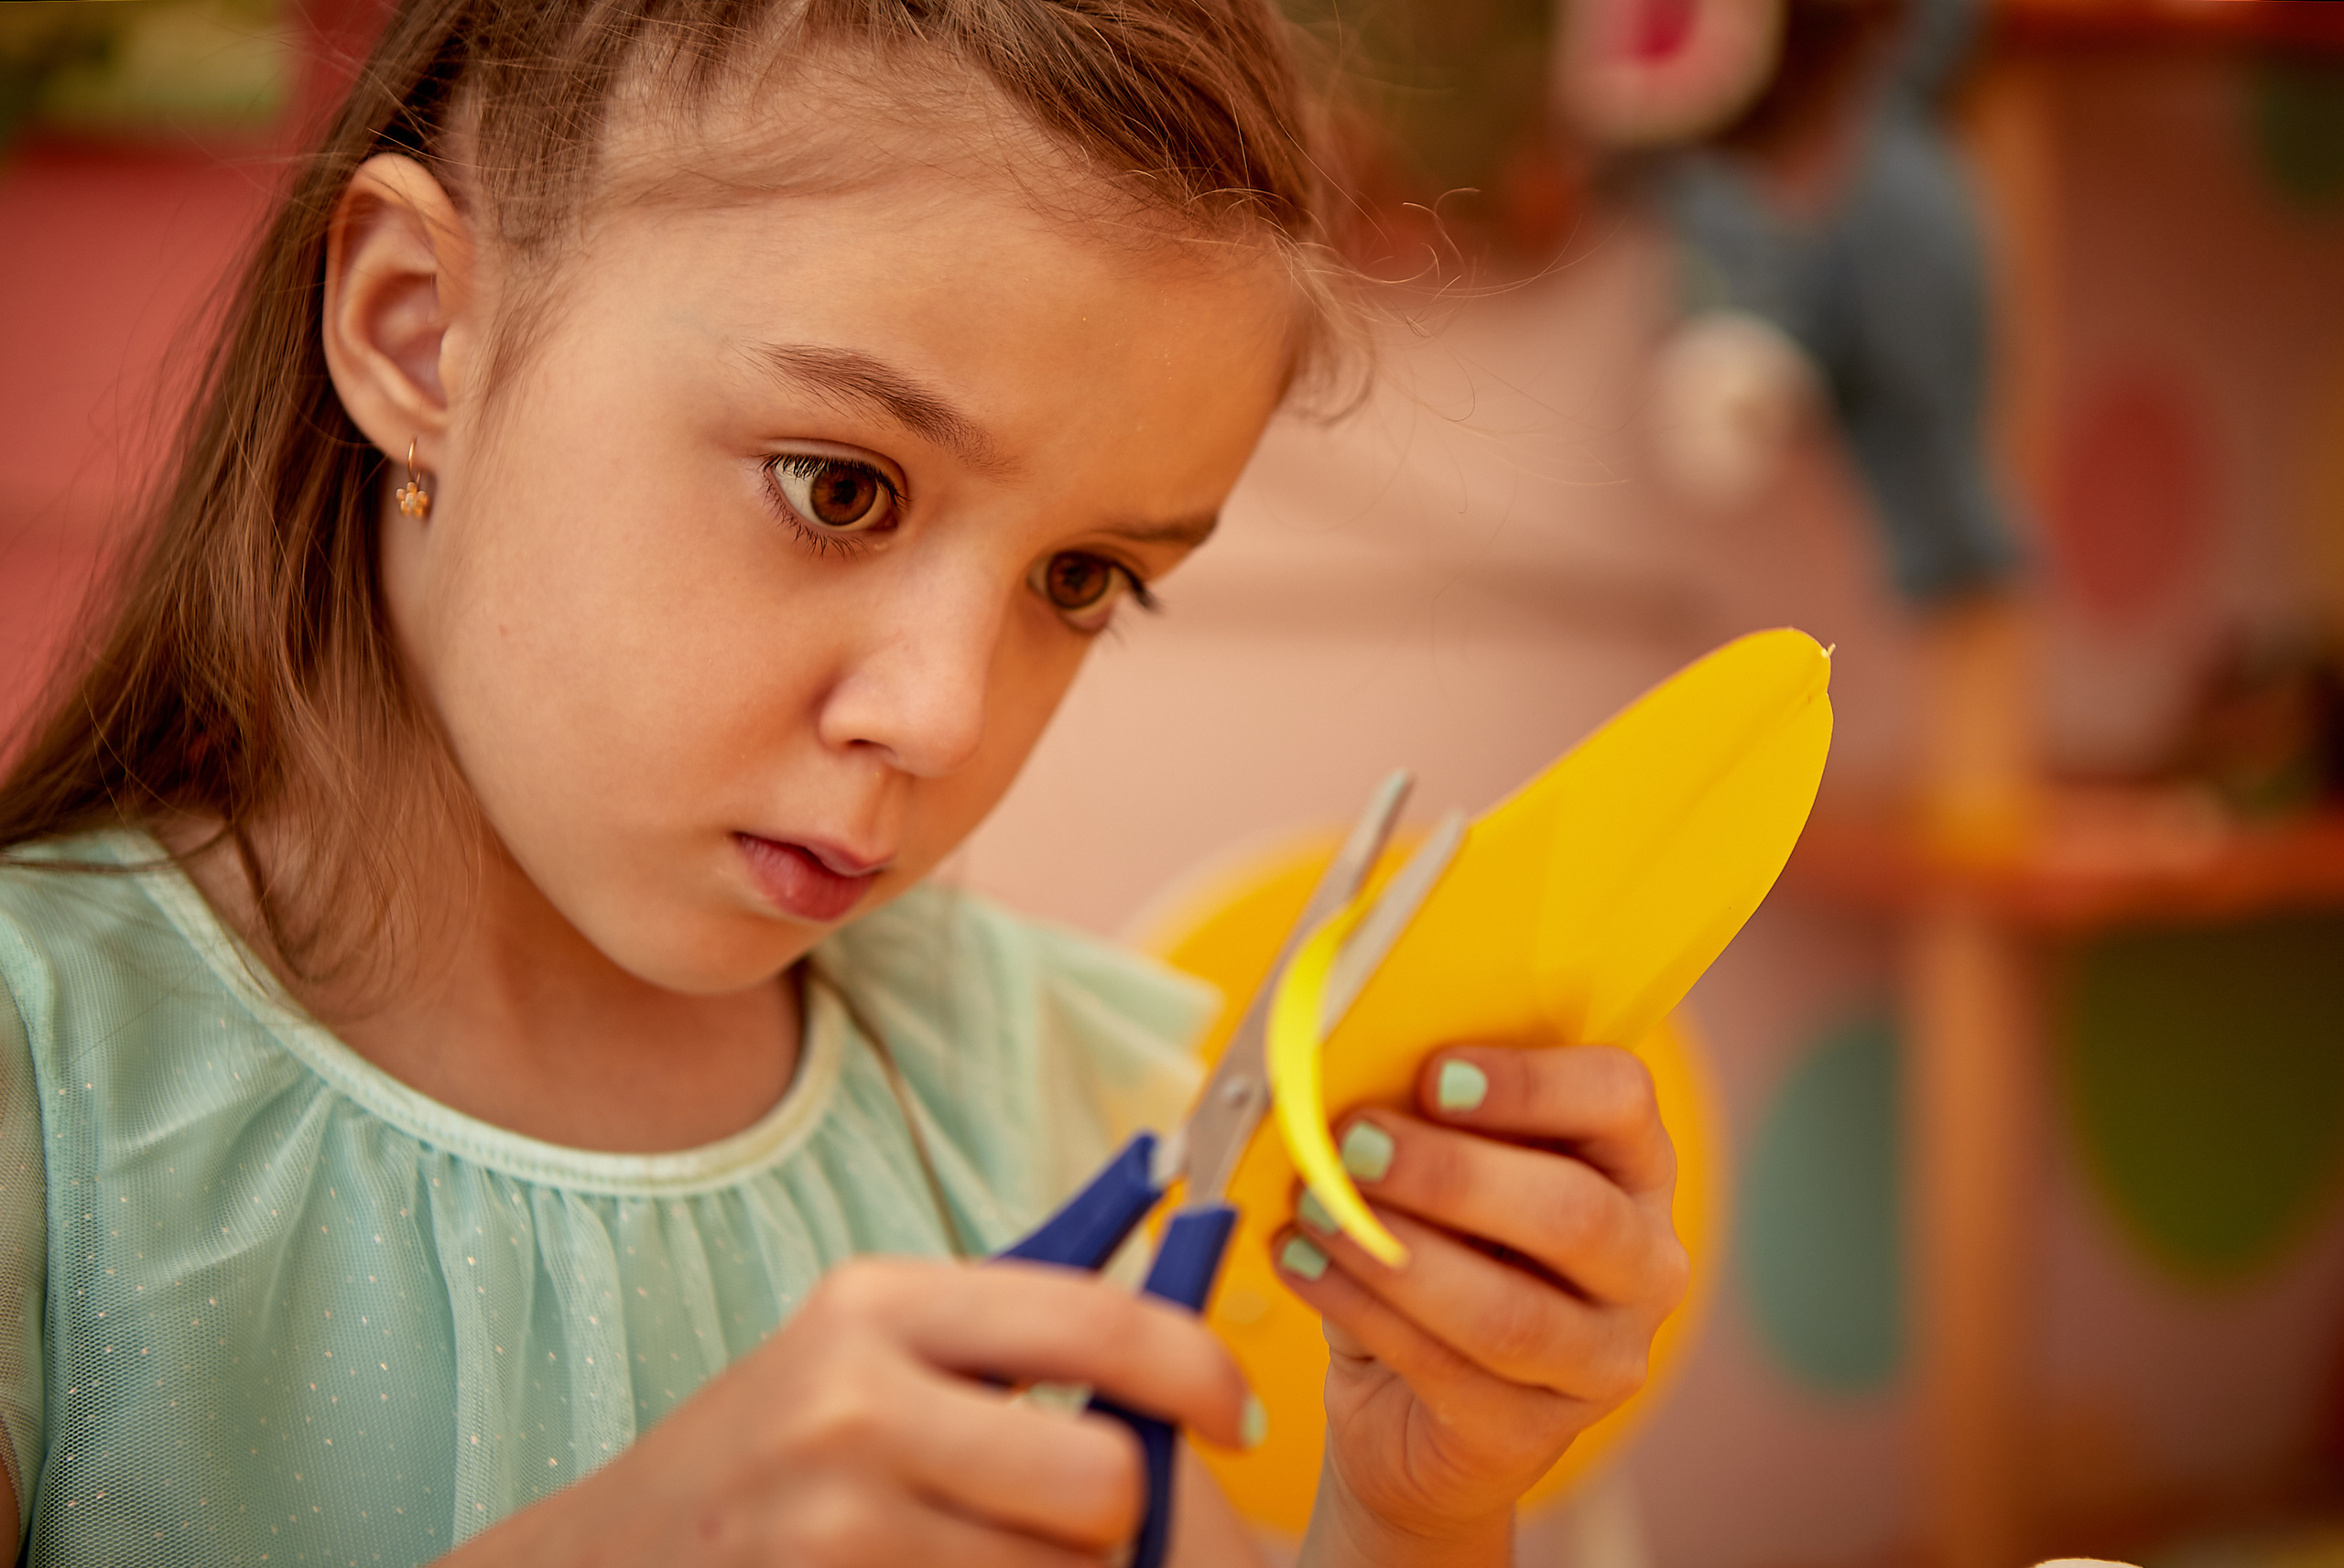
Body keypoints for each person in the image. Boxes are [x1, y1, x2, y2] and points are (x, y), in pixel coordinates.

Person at [0, 0, 1689, 1562]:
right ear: (420, 332)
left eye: (1082, 579)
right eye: (838, 489)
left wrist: (1414, 1510)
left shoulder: (1085, 1100)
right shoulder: (43, 1095)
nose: (946, 715)